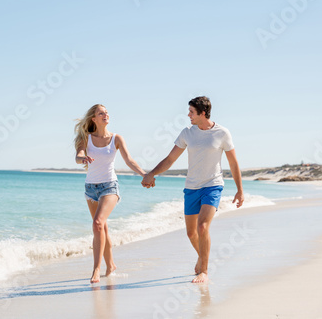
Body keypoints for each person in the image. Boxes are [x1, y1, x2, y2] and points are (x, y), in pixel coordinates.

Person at [142, 96, 244, 283]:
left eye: (191, 112)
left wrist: (240, 190)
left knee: (203, 226)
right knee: (191, 233)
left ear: (202, 113)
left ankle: (204, 271)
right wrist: (152, 173)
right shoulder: (187, 133)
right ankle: (202, 256)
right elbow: (170, 159)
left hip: (212, 186)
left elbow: (233, 162)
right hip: (191, 187)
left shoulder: (222, 133)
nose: (188, 115)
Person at [74, 104, 151, 283]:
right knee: (102, 228)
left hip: (109, 187)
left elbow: (129, 160)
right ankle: (111, 265)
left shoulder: (116, 138)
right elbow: (78, 155)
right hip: (90, 188)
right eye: (101, 113)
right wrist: (82, 158)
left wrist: (144, 174)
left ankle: (96, 269)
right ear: (94, 119)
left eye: (106, 112)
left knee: (98, 224)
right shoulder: (86, 138)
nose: (105, 115)